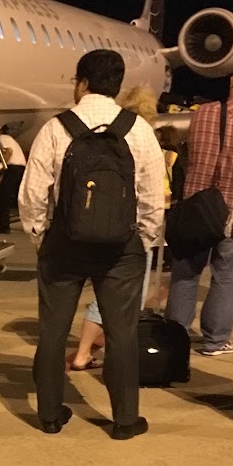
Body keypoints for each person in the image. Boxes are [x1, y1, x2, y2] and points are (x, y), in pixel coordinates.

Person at [19, 49, 165, 438]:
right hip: (121, 249)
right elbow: (153, 198)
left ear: (82, 83)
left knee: (52, 330)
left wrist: (39, 235)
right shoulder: (139, 130)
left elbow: (32, 194)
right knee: (121, 334)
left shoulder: (56, 128)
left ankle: (50, 415)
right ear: (116, 86)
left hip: (64, 244)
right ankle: (125, 420)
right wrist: (144, 239)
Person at [165, 61, 233, 356]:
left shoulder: (203, 113)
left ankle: (175, 338)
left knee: (185, 275)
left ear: (231, 81)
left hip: (195, 206)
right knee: (227, 278)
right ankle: (215, 340)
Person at [66, 86, 162, 371]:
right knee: (121, 297)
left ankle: (89, 350)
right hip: (130, 231)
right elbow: (152, 196)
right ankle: (88, 353)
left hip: (98, 223)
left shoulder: (108, 137)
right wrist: (147, 237)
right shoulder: (144, 138)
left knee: (105, 294)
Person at [0, 126, 26, 233]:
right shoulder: (10, 139)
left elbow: (9, 151)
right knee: (15, 196)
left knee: (3, 197)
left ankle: (4, 226)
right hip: (19, 168)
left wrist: (2, 164)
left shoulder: (3, 138)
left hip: (13, 168)